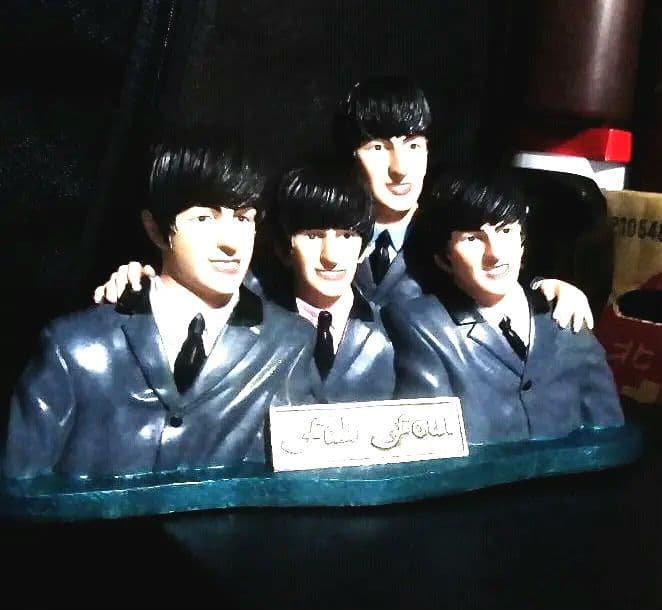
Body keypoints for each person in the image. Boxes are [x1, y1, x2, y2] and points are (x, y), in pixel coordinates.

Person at [95, 76, 593, 331]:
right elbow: (231, 280)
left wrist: (544, 290)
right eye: (378, 147)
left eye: (414, 145)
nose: (400, 168)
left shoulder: (452, 233)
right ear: (349, 154)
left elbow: (494, 277)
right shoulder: (298, 226)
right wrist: (149, 280)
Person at [3, 143, 314, 479]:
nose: (231, 241)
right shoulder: (74, 347)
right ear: (155, 229)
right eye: (204, 217)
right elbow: (21, 488)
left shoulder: (289, 343)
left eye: (243, 218)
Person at [381, 170, 624, 445]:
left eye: (505, 231)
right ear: (444, 258)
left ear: (522, 242)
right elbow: (430, 444)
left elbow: (608, 431)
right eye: (473, 238)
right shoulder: (422, 326)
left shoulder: (564, 312)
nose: (495, 254)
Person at [271, 165, 394, 403]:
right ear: (284, 247)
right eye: (313, 235)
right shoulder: (258, 328)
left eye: (346, 235)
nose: (331, 256)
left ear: (363, 248)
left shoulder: (393, 331)